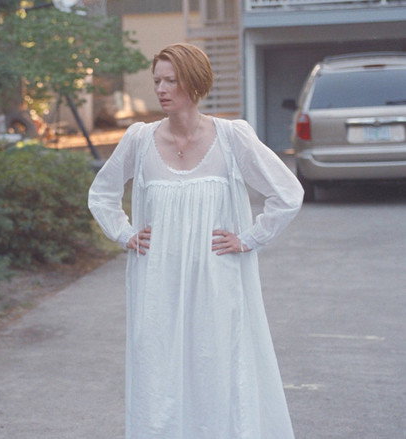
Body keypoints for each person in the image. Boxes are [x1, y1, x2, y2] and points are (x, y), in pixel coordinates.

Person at [88, 43, 303, 439]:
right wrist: (125, 233)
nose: (161, 89)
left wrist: (250, 238)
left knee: (217, 368)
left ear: (195, 82)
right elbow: (102, 194)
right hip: (156, 282)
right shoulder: (139, 139)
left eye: (171, 80)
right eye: (157, 80)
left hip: (218, 279)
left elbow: (287, 193)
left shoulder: (232, 137)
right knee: (158, 372)